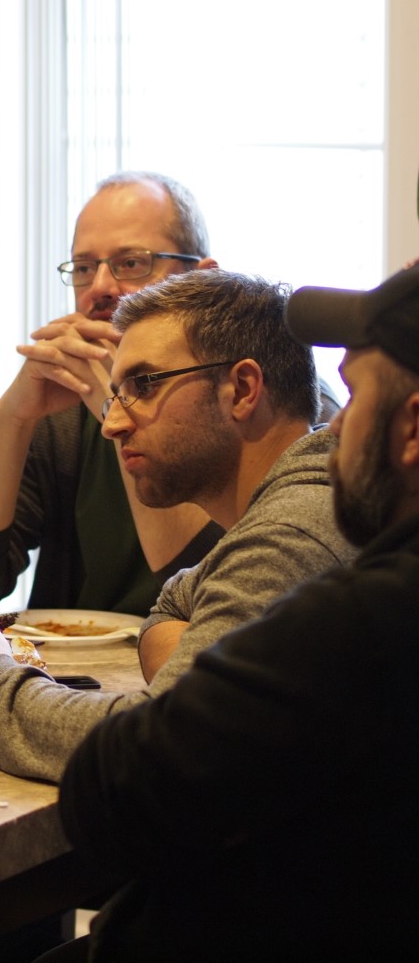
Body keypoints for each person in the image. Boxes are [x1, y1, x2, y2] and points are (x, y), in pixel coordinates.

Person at [53, 263, 419, 960]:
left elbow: (117, 788)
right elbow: (180, 609)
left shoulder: (369, 613)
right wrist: (197, 656)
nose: (333, 429)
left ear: (412, 429)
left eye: (354, 398)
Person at [0, 270, 356, 783]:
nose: (112, 424)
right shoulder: (286, 508)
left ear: (242, 389)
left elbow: (150, 751)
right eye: (116, 393)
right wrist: (190, 679)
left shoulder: (291, 532)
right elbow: (172, 606)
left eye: (144, 385)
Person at [0, 171, 224, 615]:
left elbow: (222, 595)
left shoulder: (253, 400)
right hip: (68, 678)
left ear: (203, 281)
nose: (99, 287)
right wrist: (14, 416)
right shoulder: (64, 415)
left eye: (131, 263)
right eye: (83, 268)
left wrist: (118, 404)